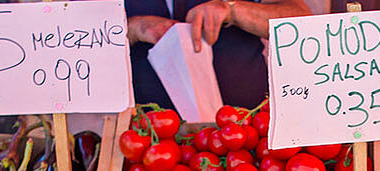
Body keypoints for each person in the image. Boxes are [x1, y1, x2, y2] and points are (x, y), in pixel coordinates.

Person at [126, 0, 313, 109]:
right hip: (145, 138)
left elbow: (302, 23)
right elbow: (97, 37)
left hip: (247, 131)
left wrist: (233, 10)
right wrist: (133, 27)